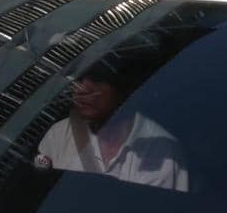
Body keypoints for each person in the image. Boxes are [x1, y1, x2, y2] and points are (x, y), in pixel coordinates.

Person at [36, 52, 188, 190]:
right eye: (79, 78)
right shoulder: (59, 135)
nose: (81, 89)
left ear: (124, 86)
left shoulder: (160, 152)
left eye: (97, 79)